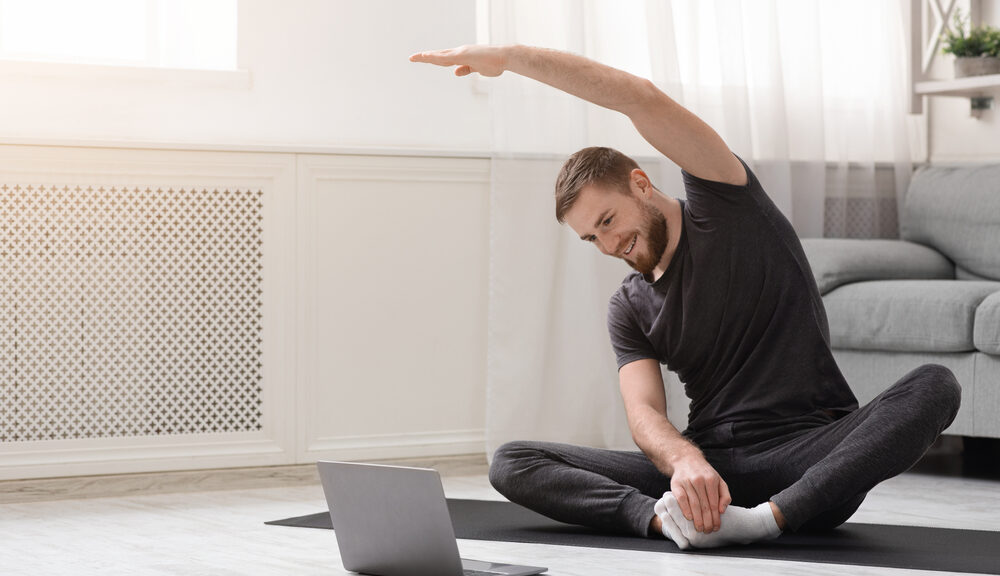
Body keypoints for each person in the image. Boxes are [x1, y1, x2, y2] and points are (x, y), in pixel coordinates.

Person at [410, 44, 960, 549]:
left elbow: (637, 96)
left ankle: (764, 520)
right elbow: (644, 412)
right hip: (710, 466)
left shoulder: (728, 209)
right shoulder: (629, 305)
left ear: (641, 184)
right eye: (591, 238)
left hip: (808, 457)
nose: (608, 245)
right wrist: (684, 463)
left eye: (608, 220)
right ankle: (670, 521)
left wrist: (508, 59)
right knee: (513, 461)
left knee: (935, 386)